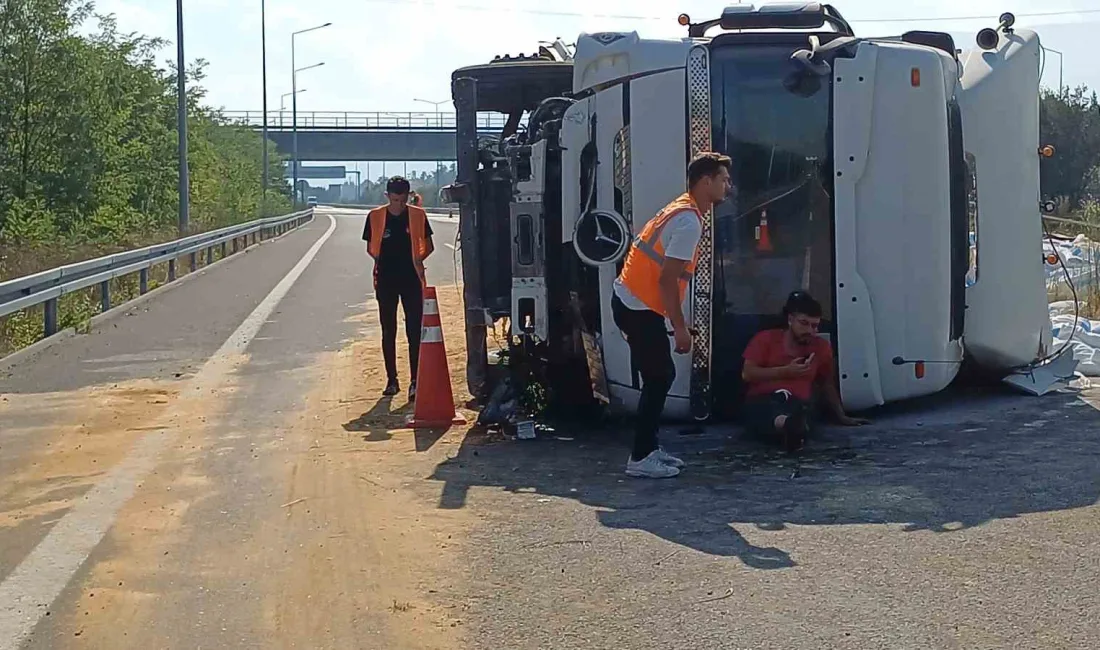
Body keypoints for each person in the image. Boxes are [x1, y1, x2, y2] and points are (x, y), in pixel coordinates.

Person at [611, 152, 733, 479]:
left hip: (633, 302)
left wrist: (674, 321)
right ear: (705, 181)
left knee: (658, 375)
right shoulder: (689, 220)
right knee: (660, 377)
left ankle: (648, 448)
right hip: (638, 306)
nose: (728, 186)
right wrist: (679, 328)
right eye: (723, 179)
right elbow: (667, 279)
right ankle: (640, 457)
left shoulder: (683, 209)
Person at [741, 290, 870, 453]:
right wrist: (786, 371)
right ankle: (788, 426)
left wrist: (841, 415)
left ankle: (792, 427)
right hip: (764, 398)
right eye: (804, 323)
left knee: (801, 412)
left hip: (799, 402)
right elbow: (748, 373)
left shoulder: (820, 347)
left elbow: (826, 383)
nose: (810, 330)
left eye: (815, 325)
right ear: (790, 320)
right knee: (766, 411)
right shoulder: (766, 339)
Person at [363, 176, 435, 400]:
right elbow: (371, 247)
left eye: (403, 200)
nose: (399, 205)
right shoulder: (375, 217)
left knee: (414, 331)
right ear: (387, 196)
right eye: (395, 200)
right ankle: (392, 380)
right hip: (385, 280)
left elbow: (428, 245)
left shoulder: (417, 215)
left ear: (408, 196)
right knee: (388, 330)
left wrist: (416, 261)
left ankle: (416, 380)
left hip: (411, 280)